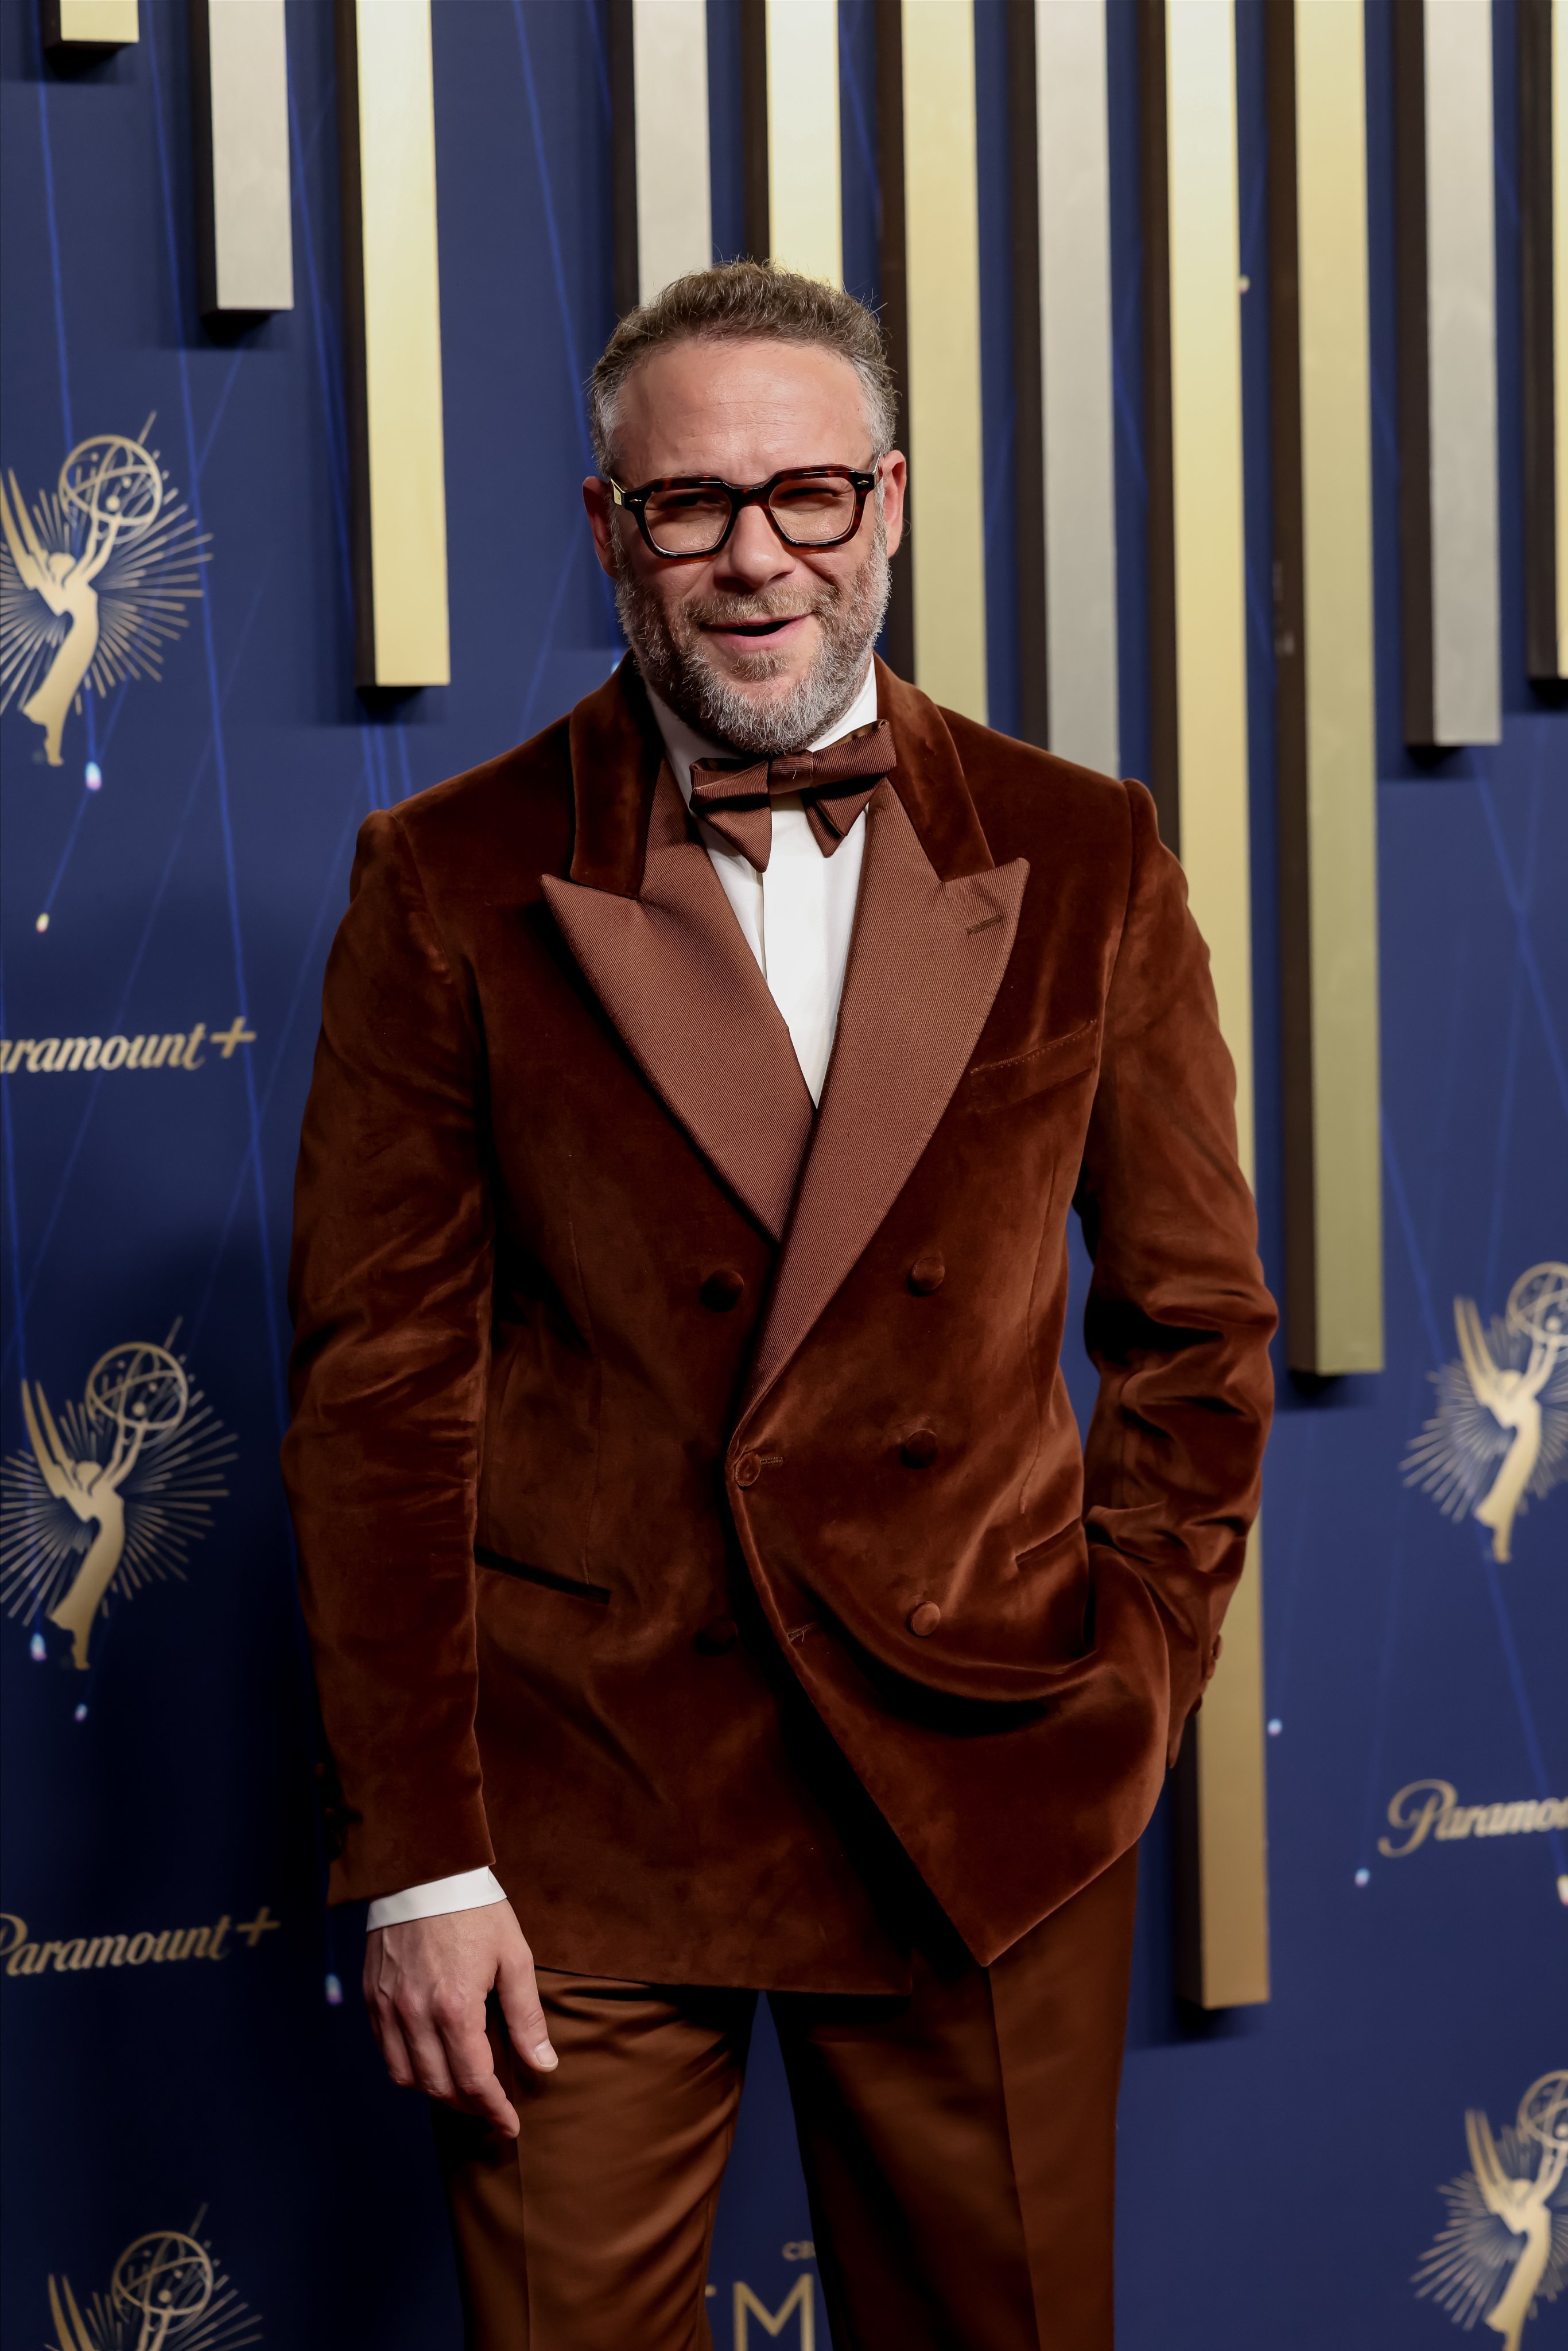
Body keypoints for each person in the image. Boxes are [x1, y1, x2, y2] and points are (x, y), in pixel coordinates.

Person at [282, 262, 1275, 2351]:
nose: (755, 558)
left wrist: (1128, 1686)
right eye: (690, 506)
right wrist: (420, 1862)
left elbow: (1196, 1326)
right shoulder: (445, 879)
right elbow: (380, 1397)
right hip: (579, 1816)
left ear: (889, 505)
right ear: (604, 526)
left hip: (981, 1793)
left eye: (807, 495)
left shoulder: (1084, 852)